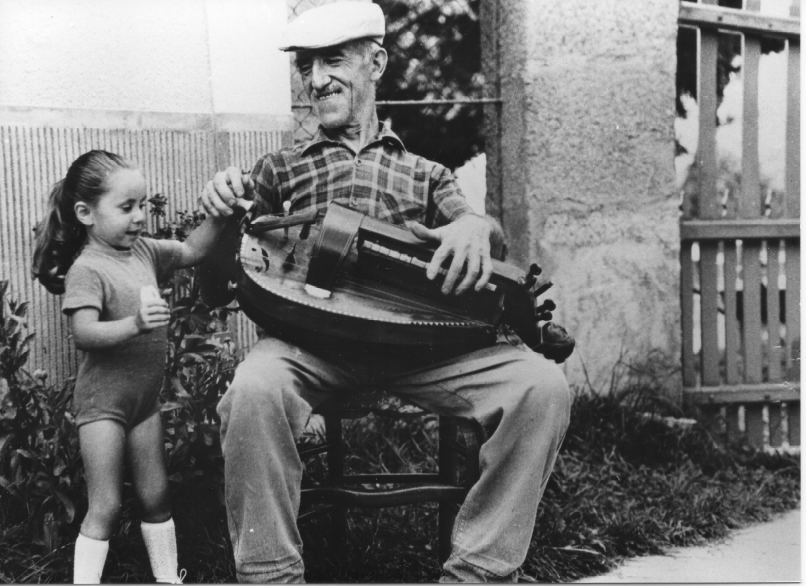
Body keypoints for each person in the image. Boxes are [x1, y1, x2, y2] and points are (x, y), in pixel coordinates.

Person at [201, 2, 571, 582]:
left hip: (422, 352)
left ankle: (478, 572)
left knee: (542, 386)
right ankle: (270, 574)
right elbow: (215, 288)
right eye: (306, 65)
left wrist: (475, 227)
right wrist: (224, 215)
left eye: (334, 60)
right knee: (252, 387)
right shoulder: (277, 171)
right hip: (310, 348)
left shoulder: (427, 174)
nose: (317, 78)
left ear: (376, 62)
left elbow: (477, 231)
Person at [32, 150, 228, 584]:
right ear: (85, 213)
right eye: (126, 208)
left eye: (141, 204)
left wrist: (222, 213)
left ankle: (167, 578)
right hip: (102, 407)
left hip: (144, 404)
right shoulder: (88, 268)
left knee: (157, 495)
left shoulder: (142, 250)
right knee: (104, 504)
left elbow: (194, 248)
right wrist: (135, 324)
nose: (140, 216)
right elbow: (84, 333)